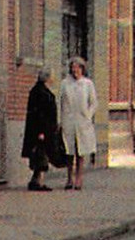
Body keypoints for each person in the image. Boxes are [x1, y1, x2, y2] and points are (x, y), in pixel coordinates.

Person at [58, 56, 97, 190]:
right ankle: (69, 178)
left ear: (82, 69)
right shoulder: (65, 84)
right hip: (68, 120)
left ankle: (79, 178)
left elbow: (93, 103)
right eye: (72, 67)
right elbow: (61, 102)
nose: (75, 70)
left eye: (77, 67)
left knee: (81, 151)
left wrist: (88, 115)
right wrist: (60, 120)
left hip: (82, 121)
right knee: (69, 151)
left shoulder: (87, 84)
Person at [21, 70, 59, 191]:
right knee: (41, 155)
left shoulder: (40, 90)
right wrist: (41, 131)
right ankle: (39, 182)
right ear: (47, 78)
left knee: (40, 155)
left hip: (44, 129)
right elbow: (40, 114)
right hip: (41, 130)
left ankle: (35, 180)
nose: (53, 79)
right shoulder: (40, 92)